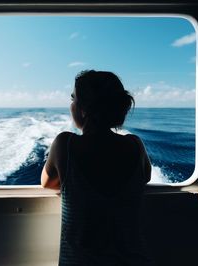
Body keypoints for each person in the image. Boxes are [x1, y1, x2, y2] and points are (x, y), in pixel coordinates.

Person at [41, 70, 153, 266]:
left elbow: (48, 183)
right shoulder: (135, 145)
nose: (71, 105)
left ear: (84, 109)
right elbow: (145, 176)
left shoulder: (65, 144)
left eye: (73, 98)